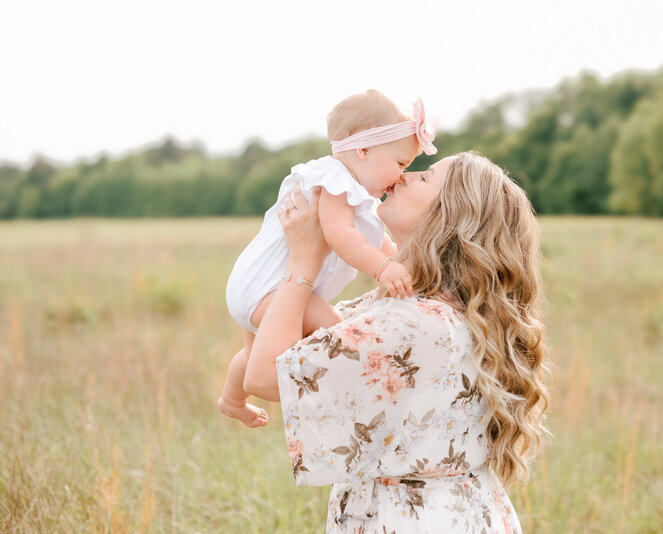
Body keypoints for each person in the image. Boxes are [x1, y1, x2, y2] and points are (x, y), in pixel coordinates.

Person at [243, 152, 551, 533]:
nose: (405, 176)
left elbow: (262, 376)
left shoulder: (412, 323)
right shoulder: (431, 309)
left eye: (425, 178)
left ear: (450, 215)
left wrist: (303, 262)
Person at [218, 90, 438, 427]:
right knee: (336, 328)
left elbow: (378, 242)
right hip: (269, 288)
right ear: (363, 150)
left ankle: (232, 400)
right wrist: (382, 269)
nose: (401, 177)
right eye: (401, 164)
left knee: (253, 356)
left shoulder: (356, 195)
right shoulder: (334, 182)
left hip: (261, 287)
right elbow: (341, 237)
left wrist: (397, 261)